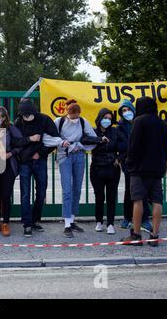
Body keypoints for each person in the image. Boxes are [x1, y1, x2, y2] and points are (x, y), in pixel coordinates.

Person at [121, 97, 167, 247]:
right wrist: (161, 161)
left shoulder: (139, 121)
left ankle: (136, 235)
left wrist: (130, 162)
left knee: (137, 200)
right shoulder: (162, 124)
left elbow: (133, 145)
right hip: (157, 169)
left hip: (139, 169)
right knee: (157, 201)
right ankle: (154, 236)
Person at [14, 98, 60, 237]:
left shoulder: (45, 120)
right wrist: (30, 139)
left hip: (40, 160)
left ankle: (34, 220)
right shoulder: (19, 122)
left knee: (41, 193)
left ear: (33, 111)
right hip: (24, 162)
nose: (26, 117)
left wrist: (40, 154)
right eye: (23, 115)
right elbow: (16, 142)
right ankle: (27, 224)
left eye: (27, 114)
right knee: (25, 194)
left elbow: (54, 140)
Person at [54, 100, 99, 238]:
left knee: (77, 189)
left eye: (77, 116)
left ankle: (72, 220)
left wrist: (80, 145)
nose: (75, 119)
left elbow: (93, 138)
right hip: (65, 157)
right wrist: (62, 143)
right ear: (67, 113)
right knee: (67, 189)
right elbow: (51, 138)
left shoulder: (83, 121)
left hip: (79, 155)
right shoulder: (59, 122)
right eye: (72, 117)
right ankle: (67, 224)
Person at [89, 108, 126, 235]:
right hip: (97, 169)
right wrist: (99, 139)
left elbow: (125, 146)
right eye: (105, 118)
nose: (107, 121)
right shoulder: (93, 132)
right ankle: (99, 221)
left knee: (111, 197)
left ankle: (110, 223)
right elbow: (84, 140)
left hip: (113, 169)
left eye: (110, 119)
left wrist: (119, 159)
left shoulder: (115, 132)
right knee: (99, 196)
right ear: (99, 118)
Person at [117, 99, 152, 231]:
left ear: (133, 109)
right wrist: (132, 145)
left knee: (143, 191)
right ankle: (127, 218)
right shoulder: (119, 127)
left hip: (142, 163)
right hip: (128, 163)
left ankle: (144, 219)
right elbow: (120, 145)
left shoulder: (141, 123)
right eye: (123, 111)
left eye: (128, 110)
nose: (126, 113)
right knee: (129, 191)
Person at [0, 107, 23, 237]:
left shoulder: (11, 129)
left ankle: (5, 223)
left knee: (6, 194)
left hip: (8, 165)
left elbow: (20, 144)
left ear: (4, 118)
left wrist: (11, 153)